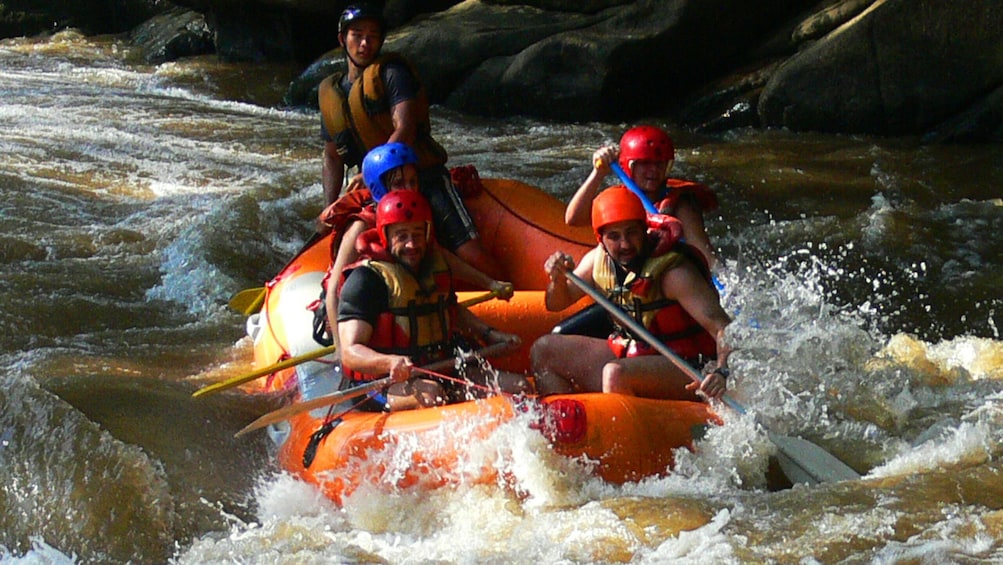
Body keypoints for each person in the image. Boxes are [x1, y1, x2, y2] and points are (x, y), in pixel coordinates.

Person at [318, 2, 502, 280]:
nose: (365, 43)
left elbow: (404, 129)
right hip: (378, 190)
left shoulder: (392, 74)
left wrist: (372, 174)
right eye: (357, 35)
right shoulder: (333, 93)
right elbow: (332, 156)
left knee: (469, 253)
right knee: (356, 248)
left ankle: (507, 288)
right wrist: (330, 207)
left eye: (372, 36)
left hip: (422, 176)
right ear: (343, 39)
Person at [531, 186, 733, 401]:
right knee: (544, 350)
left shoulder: (674, 275)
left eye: (632, 232)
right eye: (614, 236)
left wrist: (721, 372)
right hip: (634, 353)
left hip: (690, 366)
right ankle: (565, 425)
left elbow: (724, 328)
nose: (625, 244)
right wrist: (558, 279)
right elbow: (555, 303)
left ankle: (621, 429)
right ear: (601, 239)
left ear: (644, 229)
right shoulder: (597, 262)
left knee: (615, 373)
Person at [337, 190, 531, 411]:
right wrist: (389, 362)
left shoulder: (434, 266)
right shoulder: (366, 280)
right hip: (379, 383)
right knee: (432, 396)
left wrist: (490, 334)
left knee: (518, 386)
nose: (412, 244)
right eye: (402, 236)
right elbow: (350, 352)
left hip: (441, 369)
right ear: (385, 236)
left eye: (418, 235)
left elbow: (449, 310)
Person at [315, 142, 512, 350]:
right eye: (399, 183)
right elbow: (335, 289)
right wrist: (341, 350)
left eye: (413, 181)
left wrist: (490, 283)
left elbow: (441, 257)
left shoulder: (415, 217)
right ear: (378, 187)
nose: (409, 189)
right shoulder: (361, 226)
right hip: (355, 308)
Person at [565, 125, 719, 269]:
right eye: (645, 163)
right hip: (627, 269)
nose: (653, 170)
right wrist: (598, 173)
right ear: (629, 166)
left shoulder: (681, 204)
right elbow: (573, 219)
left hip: (664, 274)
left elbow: (704, 254)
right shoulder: (618, 200)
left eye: (659, 164)